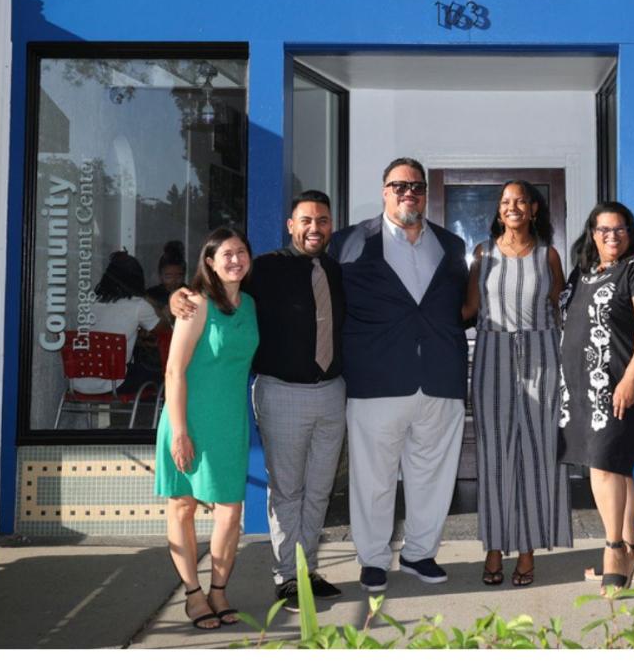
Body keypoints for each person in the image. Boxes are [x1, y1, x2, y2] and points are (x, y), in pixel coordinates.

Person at [172, 190, 347, 609]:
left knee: (320, 490)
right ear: (291, 225)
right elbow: (215, 285)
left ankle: (307, 567)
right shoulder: (264, 269)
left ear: (330, 227)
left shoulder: (338, 270)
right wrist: (177, 295)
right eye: (306, 220)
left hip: (332, 393)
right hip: (281, 392)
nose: (314, 228)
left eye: (322, 221)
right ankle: (287, 575)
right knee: (287, 490)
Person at [328, 158, 471, 593]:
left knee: (434, 473)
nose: (409, 193)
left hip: (440, 379)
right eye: (399, 185)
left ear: (425, 193)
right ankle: (372, 559)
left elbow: (458, 308)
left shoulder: (449, 245)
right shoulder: (349, 242)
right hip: (375, 380)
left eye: (417, 186)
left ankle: (419, 553)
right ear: (384, 190)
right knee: (373, 476)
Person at [459, 180, 571, 588]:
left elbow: (560, 308)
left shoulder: (548, 255)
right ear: (499, 209)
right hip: (492, 355)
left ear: (534, 209)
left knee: (537, 454)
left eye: (520, 200)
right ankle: (493, 547)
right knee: (494, 456)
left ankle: (527, 550)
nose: (513, 207)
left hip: (542, 356)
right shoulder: (483, 253)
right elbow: (468, 308)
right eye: (506, 202)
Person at [557, 201, 634, 592]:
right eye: (603, 230)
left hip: (620, 384)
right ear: (592, 233)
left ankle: (613, 550)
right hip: (584, 388)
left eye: (619, 229)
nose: (612, 236)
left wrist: (631, 378)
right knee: (616, 466)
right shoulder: (584, 273)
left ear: (630, 231)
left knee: (603, 464)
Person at [155, 227, 258, 630]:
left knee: (230, 511)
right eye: (226, 254)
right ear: (210, 262)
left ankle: (219, 590)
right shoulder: (195, 303)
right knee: (182, 505)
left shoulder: (250, 303)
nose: (235, 259)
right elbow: (174, 370)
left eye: (241, 253)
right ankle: (194, 595)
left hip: (231, 421)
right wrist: (179, 431)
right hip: (189, 418)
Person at [77, 250, 160, 396]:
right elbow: (163, 330)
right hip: (114, 384)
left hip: (77, 382)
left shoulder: (89, 302)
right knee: (162, 376)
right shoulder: (139, 306)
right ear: (137, 279)